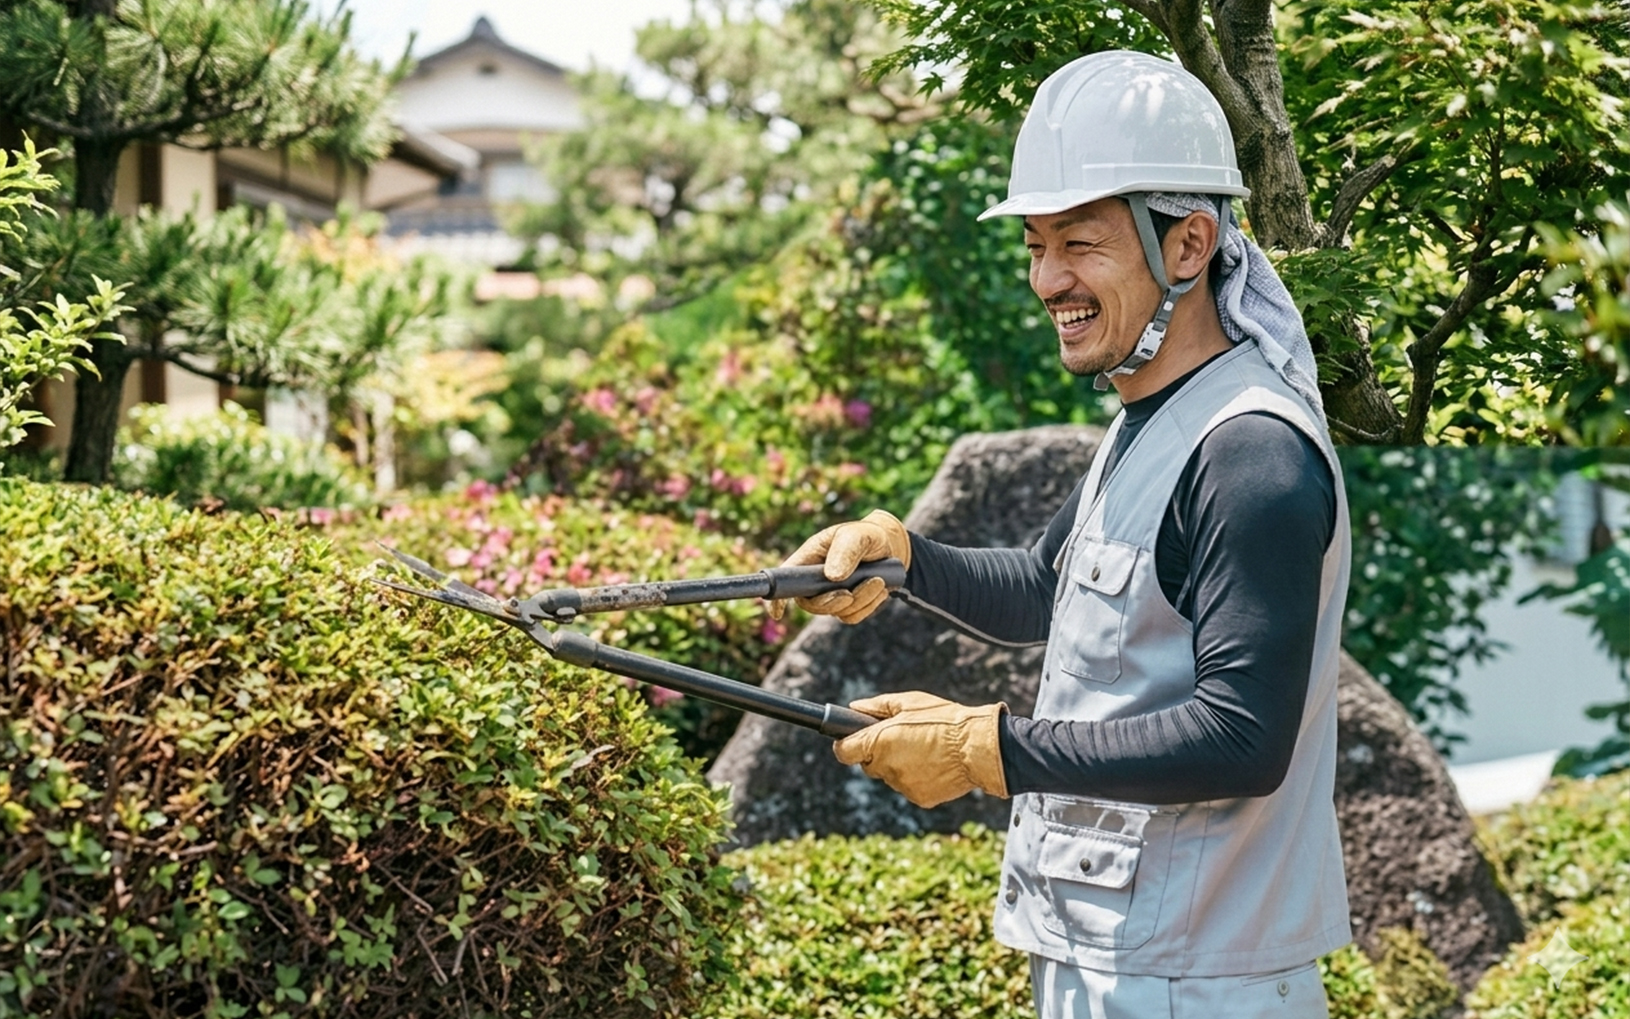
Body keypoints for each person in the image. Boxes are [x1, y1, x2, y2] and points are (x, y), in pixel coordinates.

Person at [767, 51, 1352, 1018]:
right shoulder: (1150, 423)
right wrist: (902, 557)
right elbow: (1046, 585)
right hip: (1129, 961)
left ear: (1191, 244)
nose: (1048, 279)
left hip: (1199, 981)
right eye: (1035, 245)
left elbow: (1243, 738)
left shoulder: (1252, 454)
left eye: (1078, 243)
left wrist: (981, 748)